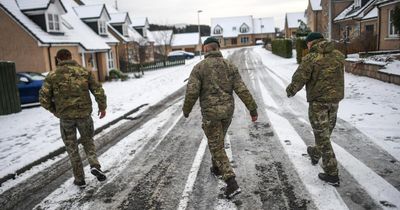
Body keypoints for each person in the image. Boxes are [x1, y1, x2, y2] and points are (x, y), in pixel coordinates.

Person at [182, 37, 258, 198]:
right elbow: (241, 89)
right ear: (217, 49)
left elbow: (192, 92)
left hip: (211, 114)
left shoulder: (199, 68)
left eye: (204, 49)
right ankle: (217, 167)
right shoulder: (229, 66)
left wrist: (186, 110)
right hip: (227, 113)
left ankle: (231, 182)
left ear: (207, 49)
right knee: (218, 140)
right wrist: (252, 109)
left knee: (216, 146)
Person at [39, 49, 107, 188]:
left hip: (66, 118)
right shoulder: (84, 71)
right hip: (84, 115)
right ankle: (94, 164)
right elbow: (98, 90)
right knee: (88, 142)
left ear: (58, 59)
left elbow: (43, 98)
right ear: (71, 57)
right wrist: (102, 107)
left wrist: (55, 110)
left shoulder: (52, 75)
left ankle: (79, 179)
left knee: (72, 148)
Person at [286, 32, 345, 186]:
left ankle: (332, 174)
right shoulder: (338, 55)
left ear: (311, 43)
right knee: (325, 134)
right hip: (334, 100)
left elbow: (300, 77)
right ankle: (315, 152)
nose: (307, 46)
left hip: (318, 102)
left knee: (322, 137)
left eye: (307, 44)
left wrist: (291, 90)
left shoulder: (311, 58)